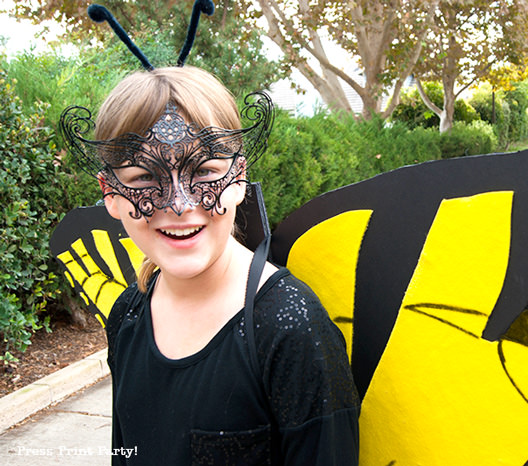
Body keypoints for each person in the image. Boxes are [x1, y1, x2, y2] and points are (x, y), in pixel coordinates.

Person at [61, 64, 360, 465]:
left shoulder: (290, 329)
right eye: (145, 178)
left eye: (204, 171)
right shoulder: (127, 315)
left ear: (239, 177)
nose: (180, 206)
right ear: (110, 195)